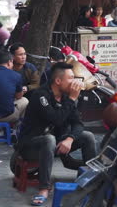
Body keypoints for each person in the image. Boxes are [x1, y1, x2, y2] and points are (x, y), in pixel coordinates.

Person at [17, 62, 96, 206]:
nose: (75, 82)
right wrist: (72, 99)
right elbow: (56, 119)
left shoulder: (66, 97)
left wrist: (70, 138)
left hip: (56, 144)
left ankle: (91, 182)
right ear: (58, 81)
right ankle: (44, 189)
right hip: (31, 146)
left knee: (87, 137)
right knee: (49, 139)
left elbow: (78, 124)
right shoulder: (40, 96)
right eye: (71, 78)